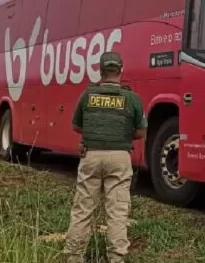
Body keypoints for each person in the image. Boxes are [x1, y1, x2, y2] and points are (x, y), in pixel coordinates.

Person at [63, 51, 147, 263]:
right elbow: (140, 132)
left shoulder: (87, 94)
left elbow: (75, 126)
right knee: (117, 213)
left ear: (100, 71)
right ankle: (116, 258)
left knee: (82, 210)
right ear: (121, 70)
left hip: (90, 155)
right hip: (120, 158)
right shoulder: (132, 98)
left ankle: (74, 256)